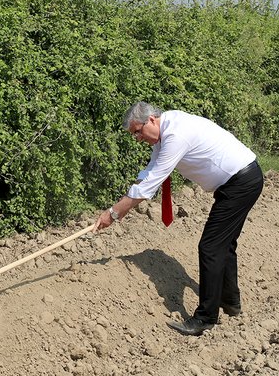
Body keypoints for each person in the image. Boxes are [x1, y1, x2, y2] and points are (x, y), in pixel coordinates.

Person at [93, 102, 264, 336]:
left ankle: (205, 318)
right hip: (239, 181)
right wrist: (119, 206)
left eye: (137, 131)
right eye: (133, 134)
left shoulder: (176, 135)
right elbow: (149, 174)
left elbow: (151, 184)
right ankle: (231, 303)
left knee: (210, 247)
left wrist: (113, 213)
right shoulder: (166, 132)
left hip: (241, 183)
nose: (137, 138)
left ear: (152, 120)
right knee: (224, 245)